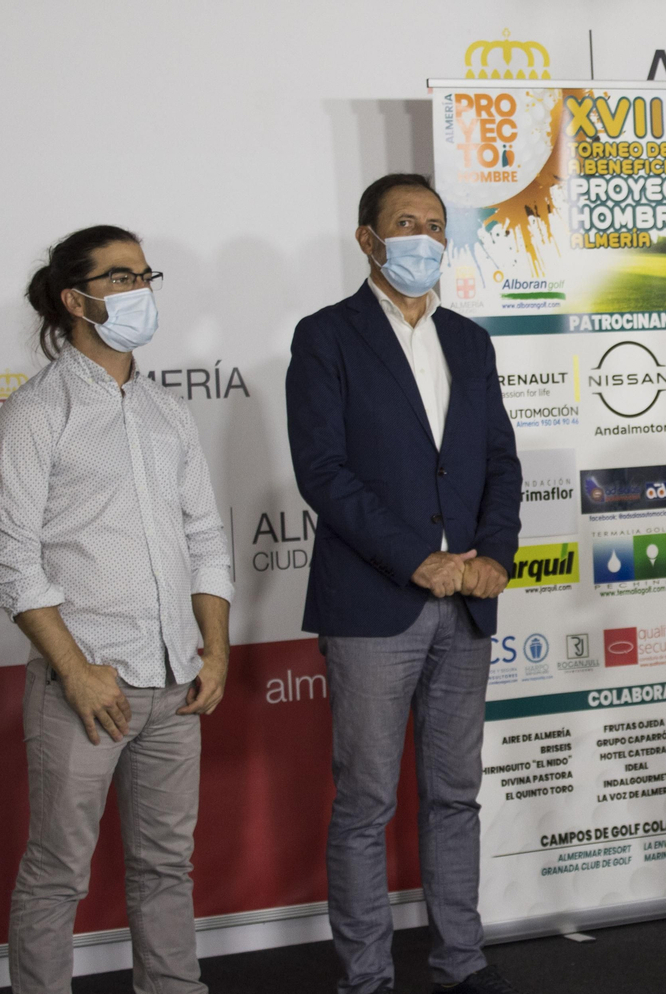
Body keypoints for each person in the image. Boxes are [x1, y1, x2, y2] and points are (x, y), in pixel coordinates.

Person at [286, 173, 524, 994]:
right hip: (372, 605)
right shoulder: (326, 337)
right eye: (404, 224)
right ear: (368, 238)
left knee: (456, 796)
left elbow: (498, 460)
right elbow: (324, 472)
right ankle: (367, 979)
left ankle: (462, 962)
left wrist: (494, 551)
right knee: (365, 806)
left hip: (467, 605)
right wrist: (412, 558)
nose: (422, 237)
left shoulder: (471, 339)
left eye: (434, 224)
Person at [0, 226, 233, 994]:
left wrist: (216, 650)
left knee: (166, 868)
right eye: (122, 277)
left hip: (175, 681)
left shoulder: (165, 410)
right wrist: (76, 672)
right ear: (75, 298)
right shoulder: (36, 412)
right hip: (85, 687)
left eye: (144, 273)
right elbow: (12, 562)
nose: (142, 288)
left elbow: (205, 536)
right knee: (58, 872)